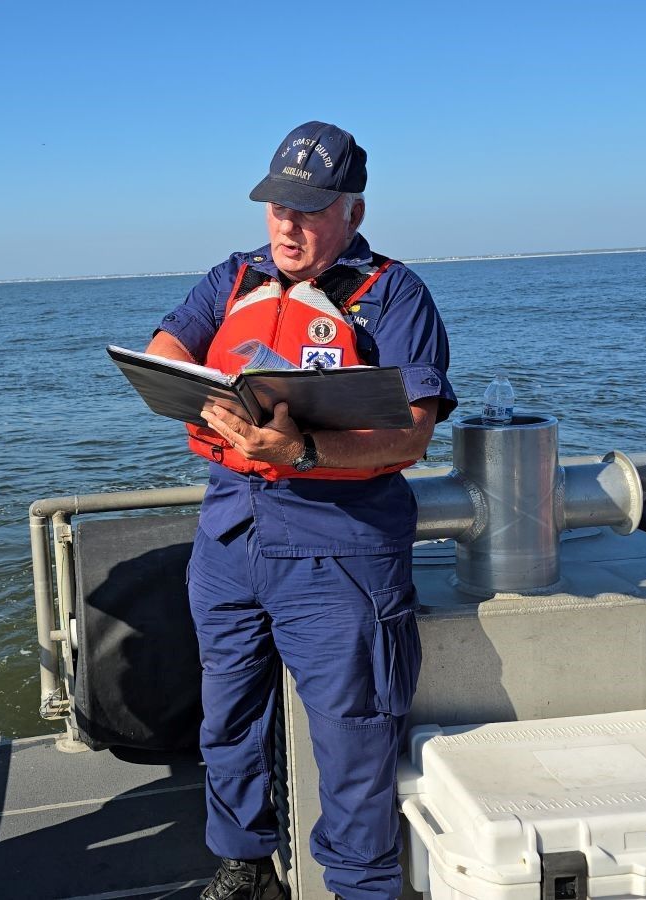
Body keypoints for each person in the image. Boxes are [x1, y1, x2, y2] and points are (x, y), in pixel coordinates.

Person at [145, 121, 457, 900]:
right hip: (230, 529)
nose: (288, 224)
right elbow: (168, 346)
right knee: (226, 712)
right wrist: (192, 390)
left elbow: (413, 433)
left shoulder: (395, 293)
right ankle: (245, 863)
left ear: (352, 210)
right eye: (277, 205)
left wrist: (307, 454)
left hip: (340, 548)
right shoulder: (233, 277)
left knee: (353, 735)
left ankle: (359, 888)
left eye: (310, 209)